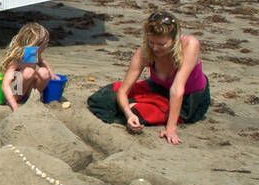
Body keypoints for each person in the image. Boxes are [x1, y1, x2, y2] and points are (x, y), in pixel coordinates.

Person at [87, 11, 210, 144]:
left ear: (174, 39)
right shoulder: (145, 52)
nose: (156, 49)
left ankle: (144, 106)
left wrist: (171, 128)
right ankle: (138, 106)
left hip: (188, 98)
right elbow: (123, 90)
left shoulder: (189, 45)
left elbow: (177, 89)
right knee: (105, 96)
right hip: (158, 88)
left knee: (139, 112)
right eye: (152, 43)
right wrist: (129, 114)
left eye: (162, 44)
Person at [0, 22, 54, 110]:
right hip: (16, 93)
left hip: (28, 93)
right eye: (44, 45)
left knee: (44, 72)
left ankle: (34, 98)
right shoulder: (16, 59)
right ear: (35, 45)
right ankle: (18, 100)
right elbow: (5, 85)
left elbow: (42, 62)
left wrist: (54, 76)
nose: (46, 46)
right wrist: (15, 107)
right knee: (29, 71)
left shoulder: (32, 54)